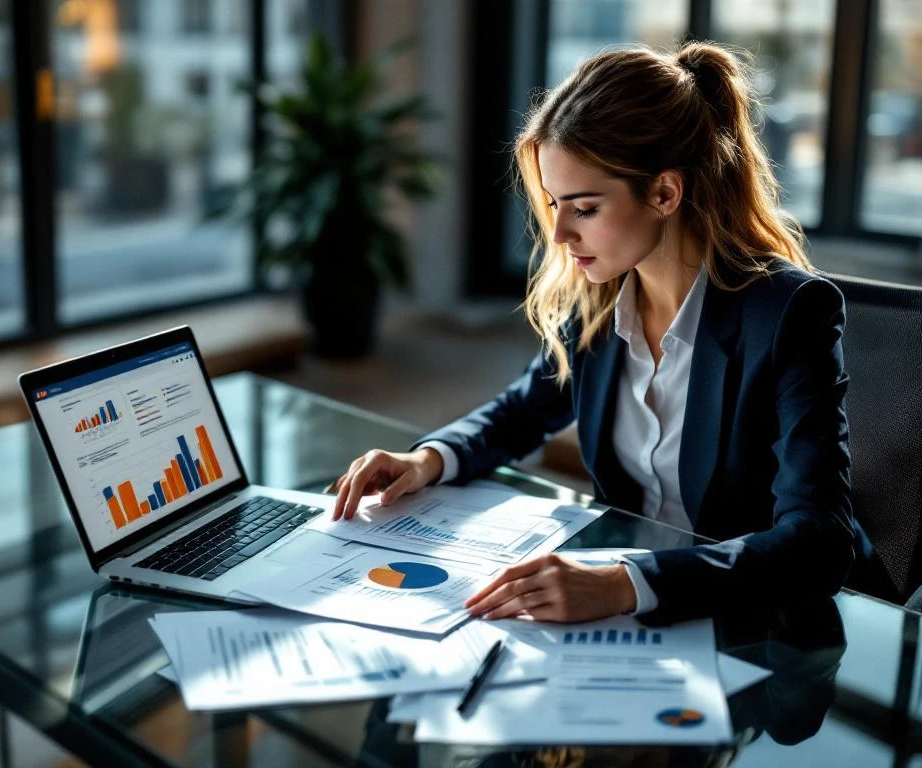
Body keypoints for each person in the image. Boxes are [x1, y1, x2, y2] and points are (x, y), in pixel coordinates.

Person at [329, 41, 862, 626]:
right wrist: (426, 458)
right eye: (555, 203)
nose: (558, 233)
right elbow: (522, 411)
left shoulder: (788, 312)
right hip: (624, 613)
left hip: (749, 619)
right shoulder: (600, 299)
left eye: (583, 208)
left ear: (664, 193)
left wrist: (625, 584)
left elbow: (818, 540)